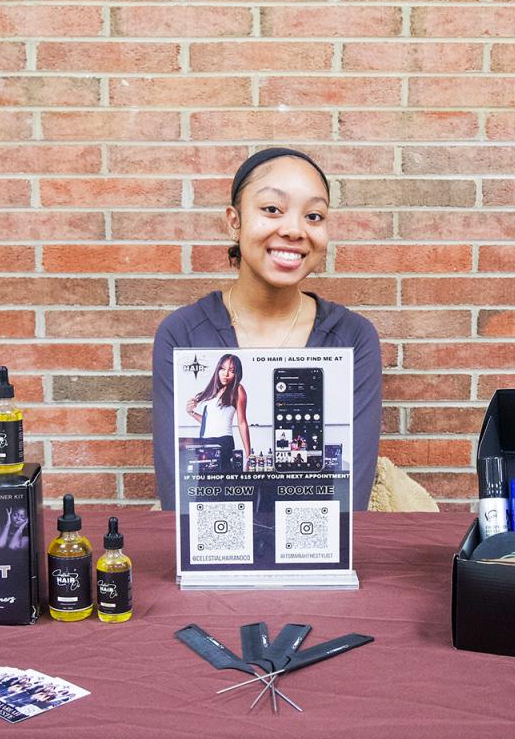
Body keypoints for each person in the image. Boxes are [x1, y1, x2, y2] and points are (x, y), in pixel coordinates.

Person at [151, 147, 382, 510]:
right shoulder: (182, 334)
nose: (294, 229)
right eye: (272, 209)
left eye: (314, 215)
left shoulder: (353, 337)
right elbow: (177, 489)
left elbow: (351, 491)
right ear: (234, 221)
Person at [187, 353, 251, 464]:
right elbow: (209, 422)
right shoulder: (212, 392)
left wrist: (248, 454)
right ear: (218, 369)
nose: (225, 374)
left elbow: (242, 423)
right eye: (223, 369)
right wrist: (191, 412)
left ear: (237, 374)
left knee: (221, 477)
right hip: (204, 441)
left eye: (231, 371)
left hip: (223, 442)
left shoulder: (238, 389)